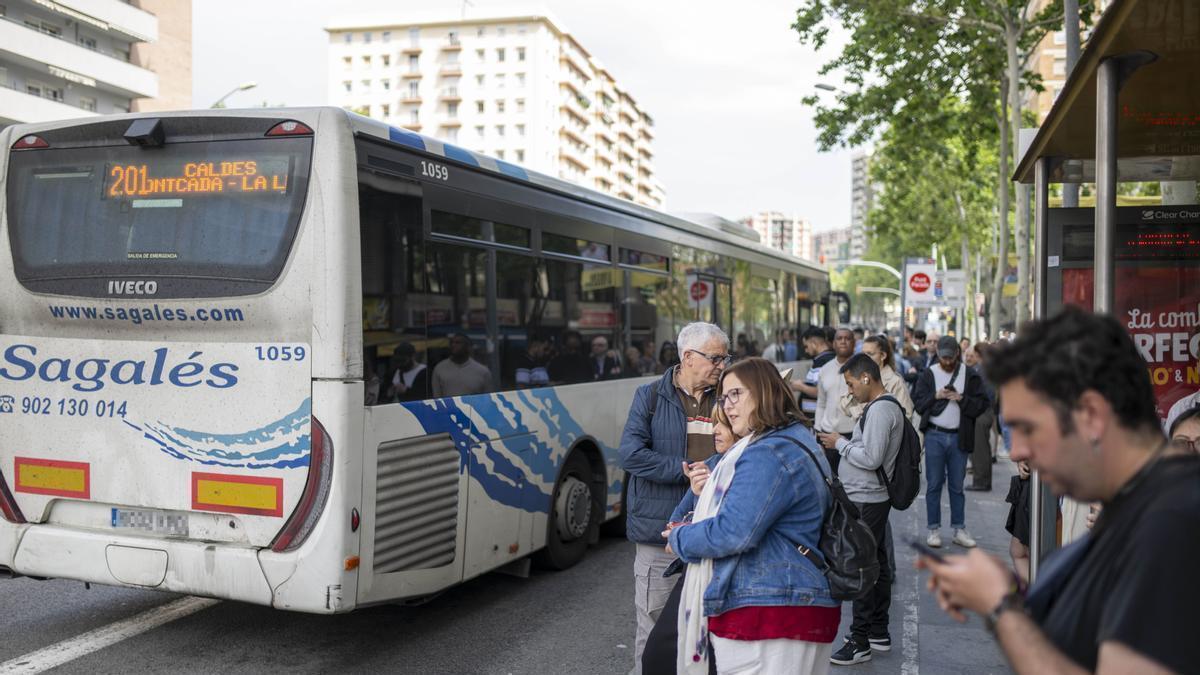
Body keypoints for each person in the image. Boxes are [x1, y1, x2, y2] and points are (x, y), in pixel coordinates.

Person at [918, 307, 1200, 675]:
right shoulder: (1141, 509)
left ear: (1091, 415)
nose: (1016, 449)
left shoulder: (1169, 524)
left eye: (1029, 427)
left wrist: (1001, 608)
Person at [667, 358, 838, 674]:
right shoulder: (797, 437)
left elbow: (732, 532)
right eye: (723, 397)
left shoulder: (767, 452)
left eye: (736, 395)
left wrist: (679, 536)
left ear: (764, 393)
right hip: (792, 602)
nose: (727, 407)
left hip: (771, 609)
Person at [618, 322, 730, 675]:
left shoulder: (727, 397)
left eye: (725, 358)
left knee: (709, 628)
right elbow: (631, 454)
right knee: (654, 631)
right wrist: (684, 470)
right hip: (660, 534)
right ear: (688, 357)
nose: (721, 366)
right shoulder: (649, 396)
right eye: (715, 358)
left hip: (714, 531)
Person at [816, 354, 903, 666]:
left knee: (862, 565)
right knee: (876, 561)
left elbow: (872, 458)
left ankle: (860, 639)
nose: (850, 390)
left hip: (868, 498)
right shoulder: (877, 407)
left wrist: (839, 442)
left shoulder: (881, 410)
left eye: (851, 383)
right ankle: (877, 631)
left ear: (866, 378)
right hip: (868, 497)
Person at [641, 404, 741, 675]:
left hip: (730, 582)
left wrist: (684, 532)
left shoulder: (752, 465)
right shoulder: (710, 464)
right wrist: (698, 495)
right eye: (714, 423)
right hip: (696, 575)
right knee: (658, 656)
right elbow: (672, 528)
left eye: (724, 424)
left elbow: (731, 531)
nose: (714, 431)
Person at [912, 336, 988, 548]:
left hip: (958, 436)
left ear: (957, 355)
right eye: (943, 358)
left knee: (957, 486)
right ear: (938, 355)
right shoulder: (929, 374)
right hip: (935, 435)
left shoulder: (969, 375)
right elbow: (918, 404)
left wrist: (961, 399)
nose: (946, 362)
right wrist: (936, 396)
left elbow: (982, 404)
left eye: (950, 357)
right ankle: (933, 529)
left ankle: (959, 528)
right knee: (934, 484)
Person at [814, 328, 857, 474]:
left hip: (853, 435)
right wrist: (817, 432)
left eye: (847, 338)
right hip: (827, 434)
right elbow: (821, 403)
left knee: (851, 481)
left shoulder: (863, 368)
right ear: (833, 343)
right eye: (839, 338)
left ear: (854, 343)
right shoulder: (824, 370)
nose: (843, 341)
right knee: (829, 479)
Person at [964, 342, 996, 491]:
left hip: (982, 413)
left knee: (980, 449)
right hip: (986, 412)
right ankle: (983, 480)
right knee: (982, 448)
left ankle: (981, 481)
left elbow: (985, 394)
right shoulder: (987, 369)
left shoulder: (982, 370)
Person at [860, 334, 915, 419]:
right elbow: (845, 406)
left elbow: (906, 415)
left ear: (883, 356)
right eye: (863, 354)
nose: (864, 358)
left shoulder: (895, 381)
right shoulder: (862, 377)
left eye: (870, 354)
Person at [794, 326, 836, 425]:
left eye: (806, 346)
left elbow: (819, 392)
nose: (806, 351)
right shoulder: (829, 359)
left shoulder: (822, 362)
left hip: (818, 420)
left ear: (814, 344)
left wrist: (800, 387)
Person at [431, 333, 491, 398]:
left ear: (468, 347)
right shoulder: (439, 369)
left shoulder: (483, 371)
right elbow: (436, 398)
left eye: (458, 343)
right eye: (451, 343)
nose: (453, 345)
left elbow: (487, 398)